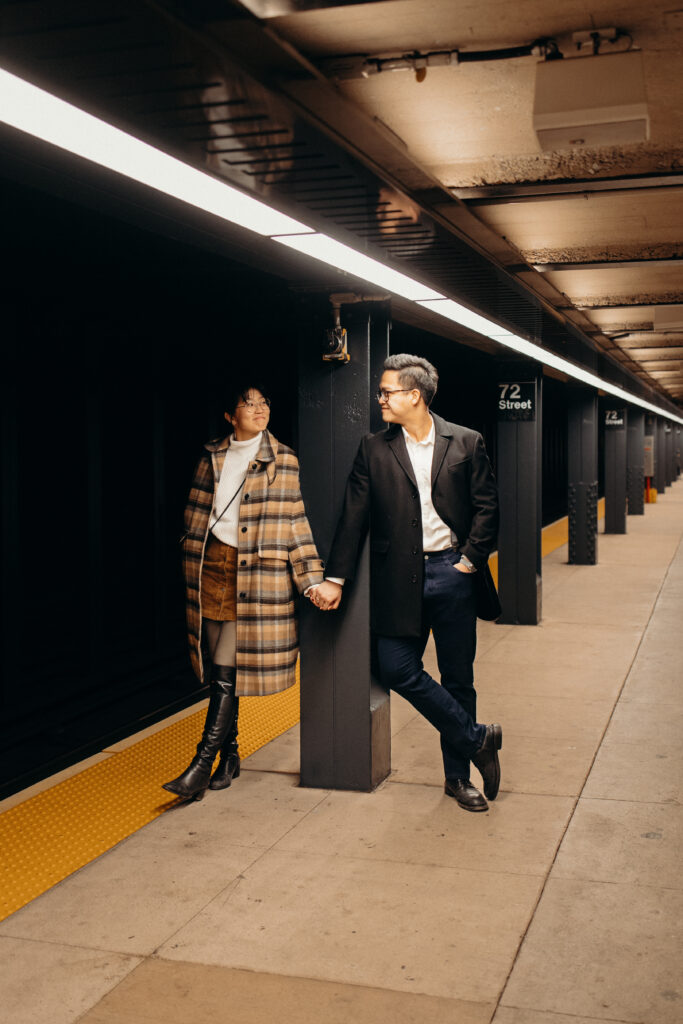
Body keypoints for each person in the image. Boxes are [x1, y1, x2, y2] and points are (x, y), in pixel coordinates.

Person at [311, 354, 502, 812]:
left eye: (387, 392)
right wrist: (335, 578)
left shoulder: (465, 442)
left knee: (459, 678)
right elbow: (352, 516)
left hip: (452, 573)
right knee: (396, 668)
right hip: (397, 579)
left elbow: (487, 508)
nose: (380, 398)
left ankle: (458, 779)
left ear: (414, 395)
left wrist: (470, 562)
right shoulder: (374, 448)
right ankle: (477, 739)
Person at [163, 385, 324, 801]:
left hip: (253, 574)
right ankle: (230, 755)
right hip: (210, 565)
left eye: (265, 403)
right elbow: (197, 510)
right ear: (229, 415)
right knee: (218, 664)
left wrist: (311, 577)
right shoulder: (211, 454)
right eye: (248, 403)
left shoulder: (283, 458)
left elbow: (295, 520)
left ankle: (202, 763)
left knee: (224, 667)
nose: (259, 410)